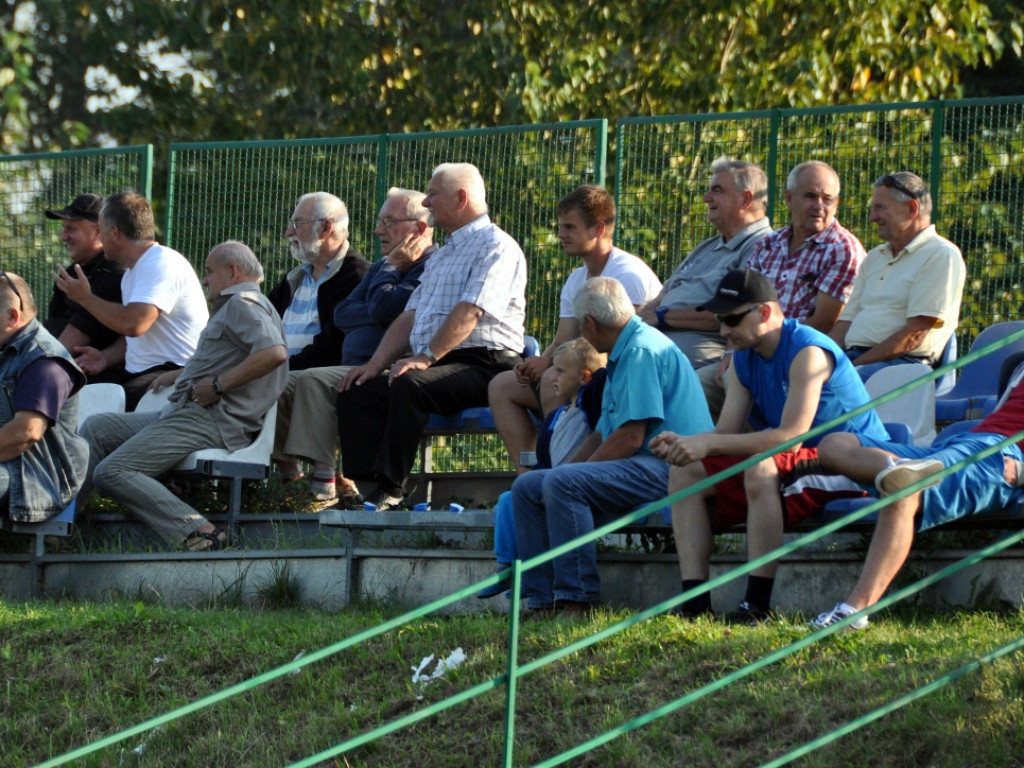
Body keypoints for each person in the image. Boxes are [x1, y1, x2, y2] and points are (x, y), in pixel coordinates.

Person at [650, 269, 889, 623]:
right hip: (799, 463)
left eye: (731, 320)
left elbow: (790, 435)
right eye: (720, 320)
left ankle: (756, 605)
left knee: (761, 466)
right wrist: (688, 443)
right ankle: (695, 603)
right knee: (686, 471)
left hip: (849, 463)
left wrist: (707, 443)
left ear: (763, 313)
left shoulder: (808, 350)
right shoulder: (744, 357)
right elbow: (727, 432)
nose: (723, 331)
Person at [514, 277, 713, 615]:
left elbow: (630, 437)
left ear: (589, 324)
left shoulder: (640, 351)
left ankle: (575, 599)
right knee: (528, 485)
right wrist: (560, 473)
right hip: (644, 461)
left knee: (561, 483)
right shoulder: (624, 351)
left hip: (676, 466)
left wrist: (564, 478)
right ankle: (540, 600)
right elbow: (603, 433)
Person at [337, 163, 527, 511]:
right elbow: (410, 315)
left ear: (461, 198)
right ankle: (369, 494)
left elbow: (470, 312)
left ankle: (392, 490)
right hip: (442, 362)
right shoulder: (444, 255)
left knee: (412, 385)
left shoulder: (497, 246)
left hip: (486, 364)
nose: (426, 201)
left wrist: (424, 357)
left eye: (433, 194)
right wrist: (374, 365)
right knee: (358, 389)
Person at [78, 241, 288, 551]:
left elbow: (274, 353)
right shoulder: (235, 306)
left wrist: (217, 385)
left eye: (209, 272)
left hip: (210, 419)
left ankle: (199, 531)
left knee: (112, 471)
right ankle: (62, 521)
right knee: (98, 427)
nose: (205, 280)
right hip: (186, 413)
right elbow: (228, 356)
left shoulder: (243, 302)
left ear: (232, 271)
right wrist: (179, 375)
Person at [813, 362, 1024, 629]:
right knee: (834, 445)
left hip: (1000, 457)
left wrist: (1021, 471)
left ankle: (853, 613)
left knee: (902, 488)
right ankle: (902, 471)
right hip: (965, 441)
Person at [272, 188, 436, 503]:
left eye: (389, 222)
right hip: (352, 366)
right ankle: (292, 478)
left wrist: (389, 272)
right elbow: (345, 312)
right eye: (380, 222)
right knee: (272, 384)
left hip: (387, 368)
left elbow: (383, 308)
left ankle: (324, 485)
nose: (378, 230)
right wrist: (380, 295)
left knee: (306, 379)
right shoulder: (377, 269)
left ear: (419, 228)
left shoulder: (427, 267)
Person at [488, 185, 661, 473]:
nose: (561, 235)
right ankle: (529, 478)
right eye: (560, 227)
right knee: (502, 386)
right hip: (580, 371)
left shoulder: (627, 276)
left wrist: (555, 367)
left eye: (570, 227)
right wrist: (543, 360)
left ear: (598, 229)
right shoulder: (576, 279)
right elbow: (564, 340)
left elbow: (625, 344)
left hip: (615, 375)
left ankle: (560, 471)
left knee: (553, 378)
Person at [51, 191, 209, 410]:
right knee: (67, 392)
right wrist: (104, 358)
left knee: (98, 418)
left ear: (114, 233)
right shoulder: (132, 273)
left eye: (103, 230)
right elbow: (134, 338)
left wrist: (86, 299)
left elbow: (135, 324)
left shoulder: (162, 263)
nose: (101, 238)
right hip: (138, 374)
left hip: (173, 374)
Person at [477, 338, 606, 599]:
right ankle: (507, 567)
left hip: (575, 484)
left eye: (560, 372)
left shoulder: (589, 407)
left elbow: (602, 410)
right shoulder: (556, 417)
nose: (551, 378)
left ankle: (525, 574)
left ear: (584, 377)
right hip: (551, 479)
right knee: (508, 499)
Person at [828, 172, 965, 382]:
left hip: (904, 366)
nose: (872, 217)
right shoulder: (874, 257)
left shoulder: (941, 254)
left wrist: (852, 369)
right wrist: (820, 361)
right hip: (857, 361)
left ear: (912, 209)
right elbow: (844, 325)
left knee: (823, 394)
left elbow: (914, 336)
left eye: (880, 208)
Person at [637, 157, 771, 370]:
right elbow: (663, 295)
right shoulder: (707, 246)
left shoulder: (763, 247)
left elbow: (734, 314)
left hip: (697, 364)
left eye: (717, 190)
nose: (706, 198)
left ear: (746, 200)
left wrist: (660, 318)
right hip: (655, 353)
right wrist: (637, 321)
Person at [0, 272, 88, 524]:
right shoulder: (5, 350)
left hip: (36, 479)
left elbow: (25, 433)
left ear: (12, 317)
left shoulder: (45, 360)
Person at [746, 161, 865, 332]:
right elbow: (745, 305)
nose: (819, 206)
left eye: (827, 199)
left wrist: (767, 338)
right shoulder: (767, 245)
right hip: (757, 344)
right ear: (788, 199)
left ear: (836, 205)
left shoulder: (842, 250)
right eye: (810, 196)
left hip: (807, 350)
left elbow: (824, 324)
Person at [268, 191, 370, 370]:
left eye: (297, 223)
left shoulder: (356, 276)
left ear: (325, 228)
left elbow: (333, 347)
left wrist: (278, 374)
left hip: (314, 380)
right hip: (278, 377)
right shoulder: (293, 279)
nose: (289, 232)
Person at [42, 193, 126, 357]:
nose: (63, 237)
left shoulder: (113, 271)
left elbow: (80, 332)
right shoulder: (72, 272)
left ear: (98, 232)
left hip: (89, 371)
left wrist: (39, 364)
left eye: (71, 229)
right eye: (63, 228)